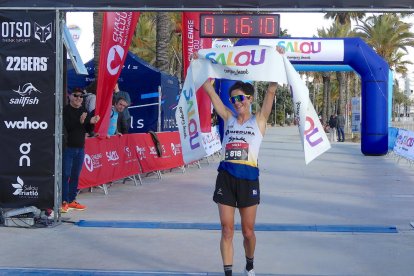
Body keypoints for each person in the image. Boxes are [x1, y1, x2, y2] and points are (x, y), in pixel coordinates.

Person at [194, 50, 277, 275]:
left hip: (249, 180)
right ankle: (228, 272)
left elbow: (271, 91)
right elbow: (210, 92)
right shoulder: (228, 118)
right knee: (226, 229)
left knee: (248, 232)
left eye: (241, 98)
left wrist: (277, 61)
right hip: (227, 177)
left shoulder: (259, 120)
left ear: (250, 99)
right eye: (234, 99)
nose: (237, 102)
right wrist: (199, 62)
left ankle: (249, 263)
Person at [62, 88, 100, 213]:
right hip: (68, 147)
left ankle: (72, 200)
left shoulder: (83, 110)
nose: (79, 98)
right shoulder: (65, 110)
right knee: (65, 175)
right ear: (70, 97)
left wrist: (92, 122)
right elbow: (67, 127)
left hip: (80, 147)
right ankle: (63, 201)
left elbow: (88, 129)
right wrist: (80, 122)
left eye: (81, 96)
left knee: (75, 176)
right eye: (76, 95)